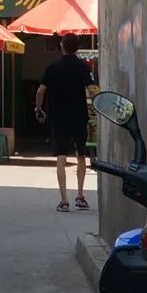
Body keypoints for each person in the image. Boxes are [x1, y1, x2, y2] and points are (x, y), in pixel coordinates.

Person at [42, 36, 95, 211]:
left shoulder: (53, 67)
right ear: (78, 48)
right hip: (79, 115)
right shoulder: (83, 67)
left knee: (61, 156)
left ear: (62, 46)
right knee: (81, 154)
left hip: (60, 117)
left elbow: (41, 90)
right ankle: (80, 195)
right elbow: (92, 90)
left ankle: (64, 200)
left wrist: (37, 108)